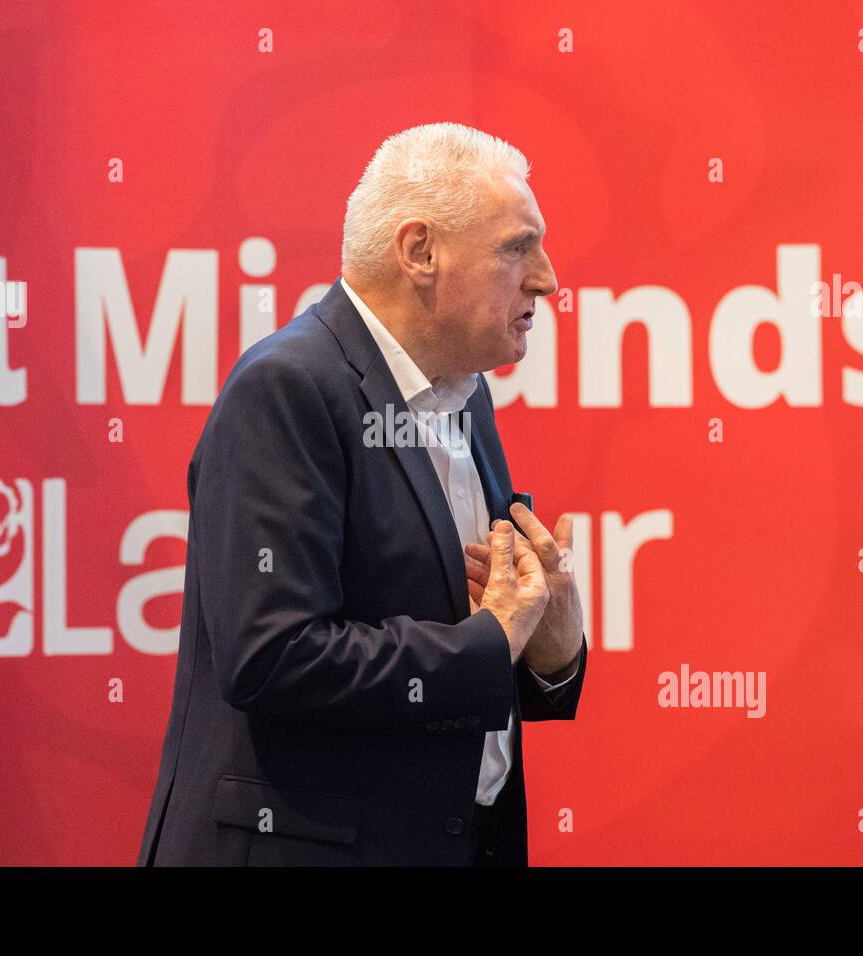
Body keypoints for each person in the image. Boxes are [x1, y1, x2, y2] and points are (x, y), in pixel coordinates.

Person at [137, 122, 587, 866]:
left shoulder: (464, 394)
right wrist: (489, 641)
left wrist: (550, 645)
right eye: (516, 247)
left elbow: (472, 631)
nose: (546, 277)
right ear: (420, 252)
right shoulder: (287, 388)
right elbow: (271, 655)